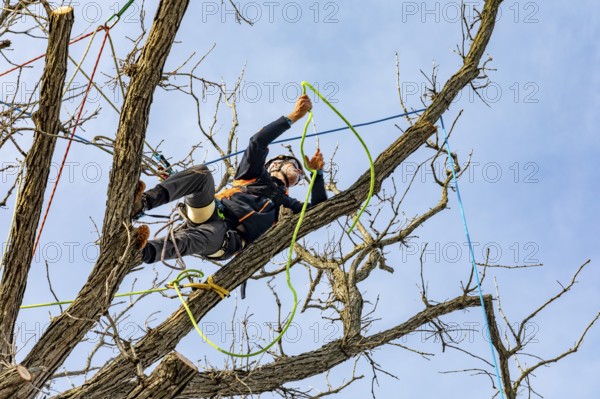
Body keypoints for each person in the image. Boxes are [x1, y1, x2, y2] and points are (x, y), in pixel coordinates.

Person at [133, 94, 327, 264]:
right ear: (274, 165)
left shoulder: (287, 206)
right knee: (201, 173)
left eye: (301, 175)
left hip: (228, 237)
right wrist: (293, 117)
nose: (298, 172)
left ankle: (140, 253)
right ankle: (141, 204)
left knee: (198, 238)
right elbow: (258, 141)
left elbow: (322, 211)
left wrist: (317, 175)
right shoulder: (253, 176)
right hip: (210, 212)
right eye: (294, 165)